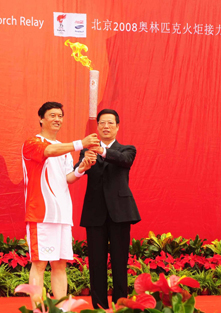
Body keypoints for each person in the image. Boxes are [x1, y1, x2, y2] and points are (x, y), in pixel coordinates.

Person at [22, 101, 99, 307]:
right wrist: (80, 144)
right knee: (39, 265)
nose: (57, 119)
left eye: (60, 116)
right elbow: (48, 152)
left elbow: (68, 178)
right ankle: (39, 310)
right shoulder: (32, 143)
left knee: (60, 265)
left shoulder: (64, 149)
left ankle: (61, 309)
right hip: (41, 215)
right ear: (41, 119)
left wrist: (82, 167)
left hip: (63, 215)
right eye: (52, 115)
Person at [75, 109, 141, 309]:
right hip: (95, 214)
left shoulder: (127, 149)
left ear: (117, 126)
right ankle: (99, 307)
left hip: (120, 213)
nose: (106, 126)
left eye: (110, 123)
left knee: (120, 262)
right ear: (97, 127)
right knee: (96, 264)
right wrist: (85, 162)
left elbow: (124, 162)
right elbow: (78, 168)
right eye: (102, 123)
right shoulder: (87, 150)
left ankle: (121, 306)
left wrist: (101, 151)